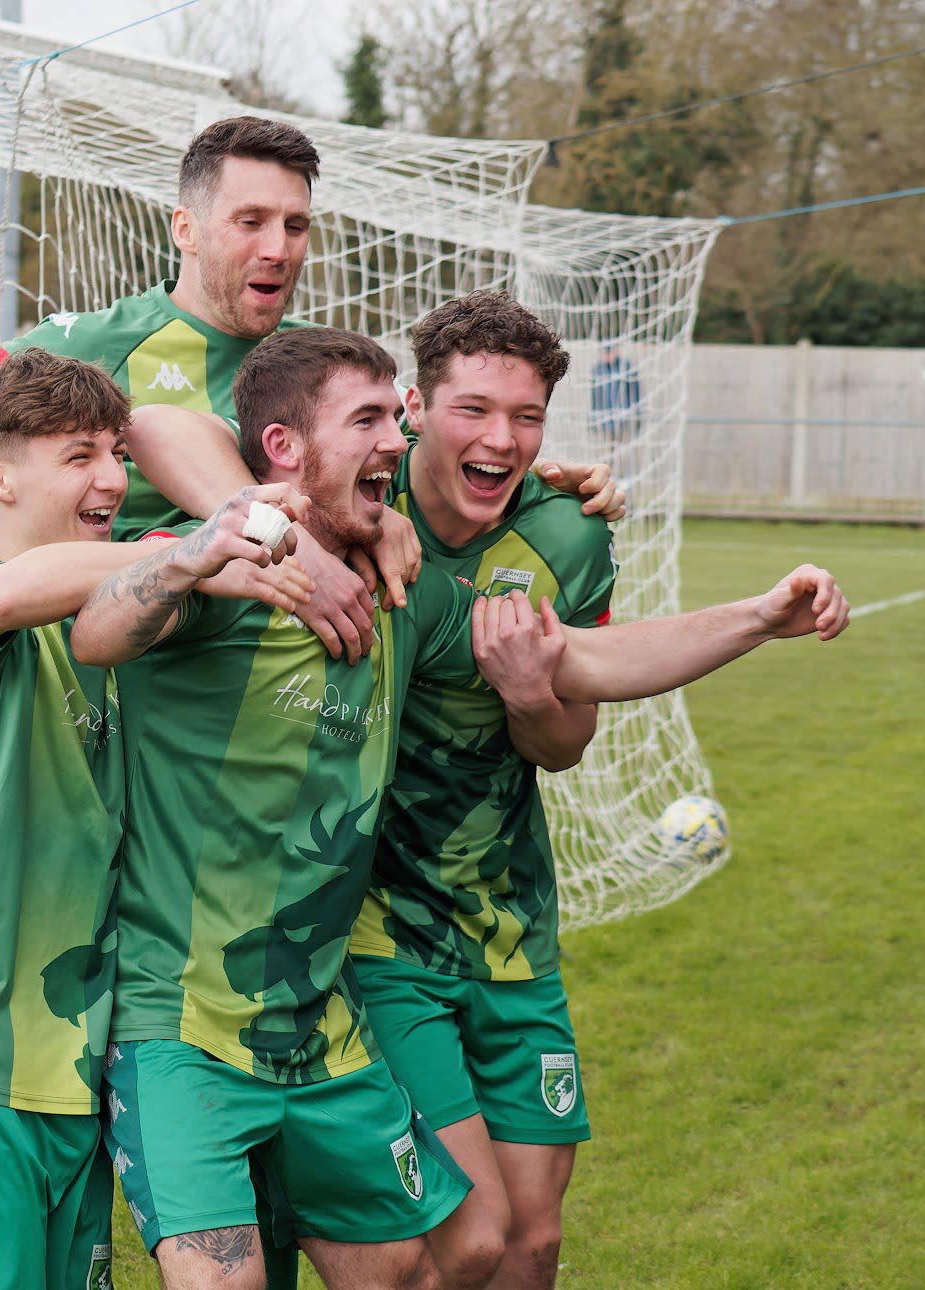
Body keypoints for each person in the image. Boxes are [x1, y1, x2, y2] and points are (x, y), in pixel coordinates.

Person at [67, 327, 848, 1290]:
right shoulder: (229, 564)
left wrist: (758, 618)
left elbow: (594, 663)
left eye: (525, 416)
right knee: (408, 1250)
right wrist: (220, 550)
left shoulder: (418, 583)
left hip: (395, 978)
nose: (400, 444)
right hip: (235, 989)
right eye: (380, 421)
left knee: (461, 1256)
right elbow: (102, 620)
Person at [0, 346, 308, 1290]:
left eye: (114, 453)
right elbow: (7, 593)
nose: (111, 478)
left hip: (69, 1070)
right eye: (77, 456)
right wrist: (187, 548)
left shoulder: (120, 620)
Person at [0, 114, 625, 665]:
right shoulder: (89, 346)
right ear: (185, 229)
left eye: (295, 226)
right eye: (250, 221)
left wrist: (546, 483)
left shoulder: (315, 368)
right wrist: (40, 590)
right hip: (116, 686)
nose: (276, 248)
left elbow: (421, 464)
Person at [346, 292, 617, 1289]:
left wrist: (528, 693)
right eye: (473, 410)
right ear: (415, 406)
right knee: (473, 1236)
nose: (501, 439)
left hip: (511, 926)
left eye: (527, 417)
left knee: (536, 1243)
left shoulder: (568, 543)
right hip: (380, 934)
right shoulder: (355, 509)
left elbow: (564, 747)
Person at [588, 342, 641, 479]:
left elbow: (636, 394)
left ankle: (624, 489)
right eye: (604, 352)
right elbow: (594, 396)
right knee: (605, 459)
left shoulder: (626, 367)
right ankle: (603, 487)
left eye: (610, 351)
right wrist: (592, 418)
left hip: (624, 422)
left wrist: (636, 417)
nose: (607, 355)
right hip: (605, 423)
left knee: (624, 459)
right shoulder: (597, 369)